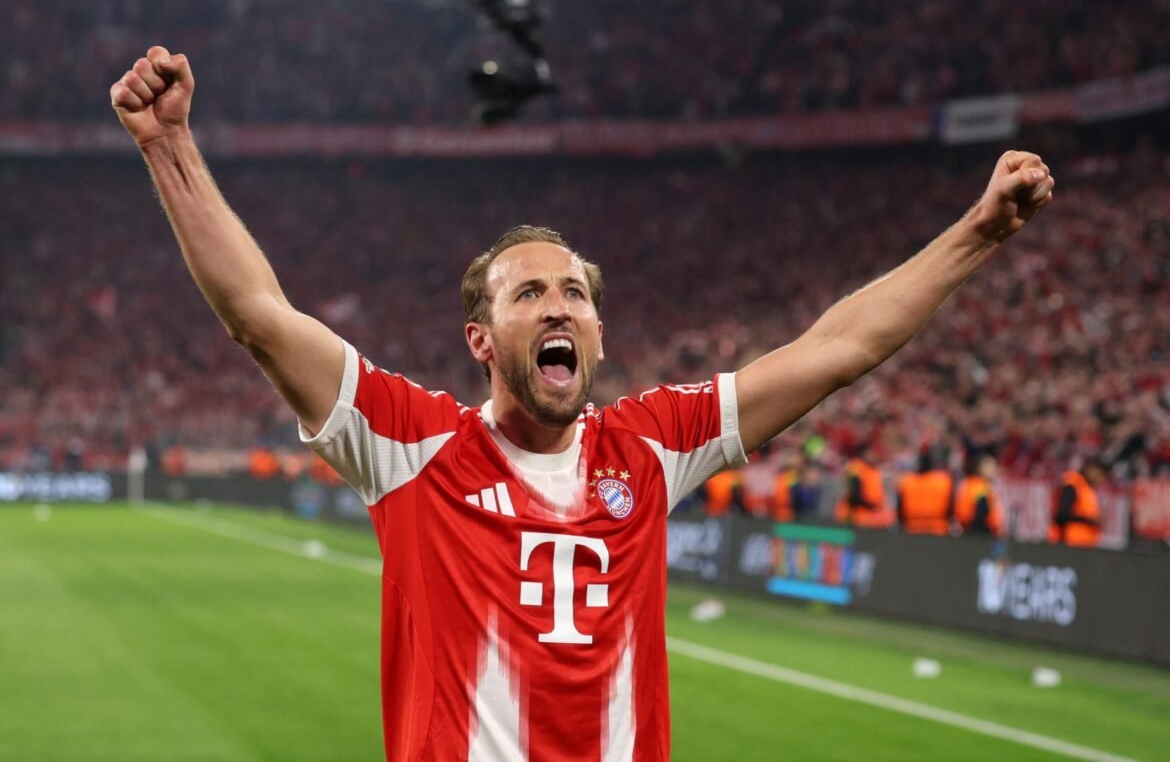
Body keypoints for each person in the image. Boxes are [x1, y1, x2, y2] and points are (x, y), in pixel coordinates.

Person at [110, 46, 1056, 762]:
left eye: (574, 293)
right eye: (528, 293)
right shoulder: (411, 443)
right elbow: (260, 316)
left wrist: (977, 233)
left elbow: (836, 351)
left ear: (598, 332)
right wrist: (169, 145)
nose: (558, 305)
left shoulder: (652, 445)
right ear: (481, 339)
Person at [896, 447, 955, 535]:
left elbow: (899, 510)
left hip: (911, 528)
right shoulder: (943, 481)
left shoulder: (906, 481)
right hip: (938, 529)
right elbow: (951, 509)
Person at [834, 444, 893, 528]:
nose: (874, 456)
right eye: (872, 453)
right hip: (859, 513)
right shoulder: (857, 467)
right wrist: (869, 506)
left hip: (872, 512)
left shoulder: (874, 470)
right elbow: (854, 494)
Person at [1049, 459, 1106, 547]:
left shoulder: (1085, 488)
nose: (1100, 479)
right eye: (1100, 474)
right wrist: (1089, 520)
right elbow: (1062, 515)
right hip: (1068, 543)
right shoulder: (1072, 486)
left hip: (1082, 544)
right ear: (1090, 469)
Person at [955, 453, 1004, 536]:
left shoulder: (969, 483)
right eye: (990, 466)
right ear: (980, 468)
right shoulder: (980, 487)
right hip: (980, 532)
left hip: (969, 529)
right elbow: (980, 511)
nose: (994, 469)